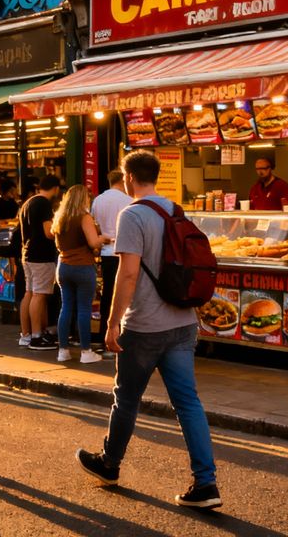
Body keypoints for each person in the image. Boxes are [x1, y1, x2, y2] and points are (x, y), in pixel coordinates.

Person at [75, 150, 220, 509]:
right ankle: (206, 483)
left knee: (126, 399)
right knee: (188, 403)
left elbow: (127, 274)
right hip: (183, 323)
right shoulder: (175, 210)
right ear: (155, 176)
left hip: (143, 326)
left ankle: (110, 464)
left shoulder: (133, 214)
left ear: (128, 178)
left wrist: (111, 324)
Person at [53, 185, 109, 364]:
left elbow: (58, 245)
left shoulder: (60, 218)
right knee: (84, 309)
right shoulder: (84, 217)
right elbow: (93, 242)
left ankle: (63, 350)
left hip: (64, 267)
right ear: (82, 199)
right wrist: (104, 238)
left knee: (66, 307)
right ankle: (86, 351)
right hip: (83, 267)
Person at [18, 175, 61, 351]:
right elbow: (48, 233)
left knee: (29, 293)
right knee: (39, 295)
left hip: (27, 253)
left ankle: (26, 335)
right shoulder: (44, 204)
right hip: (41, 255)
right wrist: (59, 229)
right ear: (56, 188)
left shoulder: (29, 202)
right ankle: (37, 336)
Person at [91, 170, 131, 349]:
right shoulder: (128, 200)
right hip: (124, 253)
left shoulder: (98, 200)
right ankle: (122, 336)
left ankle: (102, 336)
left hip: (106, 253)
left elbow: (95, 226)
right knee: (125, 296)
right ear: (123, 180)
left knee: (107, 295)